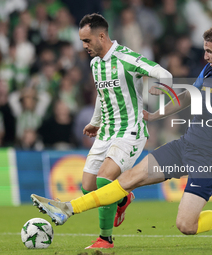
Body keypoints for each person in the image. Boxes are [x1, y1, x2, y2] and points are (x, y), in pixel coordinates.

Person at [32, 24, 212, 243]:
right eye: (204, 50)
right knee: (127, 179)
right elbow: (188, 96)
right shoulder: (210, 69)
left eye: (209, 51)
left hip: (208, 158)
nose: (205, 56)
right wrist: (156, 115)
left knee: (186, 225)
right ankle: (67, 208)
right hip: (185, 146)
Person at [33, 13, 172, 249]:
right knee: (88, 186)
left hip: (130, 131)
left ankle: (105, 239)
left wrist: (160, 86)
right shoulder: (95, 63)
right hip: (106, 132)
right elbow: (101, 94)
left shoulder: (127, 58)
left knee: (104, 180)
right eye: (82, 42)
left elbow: (164, 74)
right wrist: (94, 120)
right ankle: (123, 197)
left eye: (87, 41)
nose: (84, 46)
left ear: (101, 36)